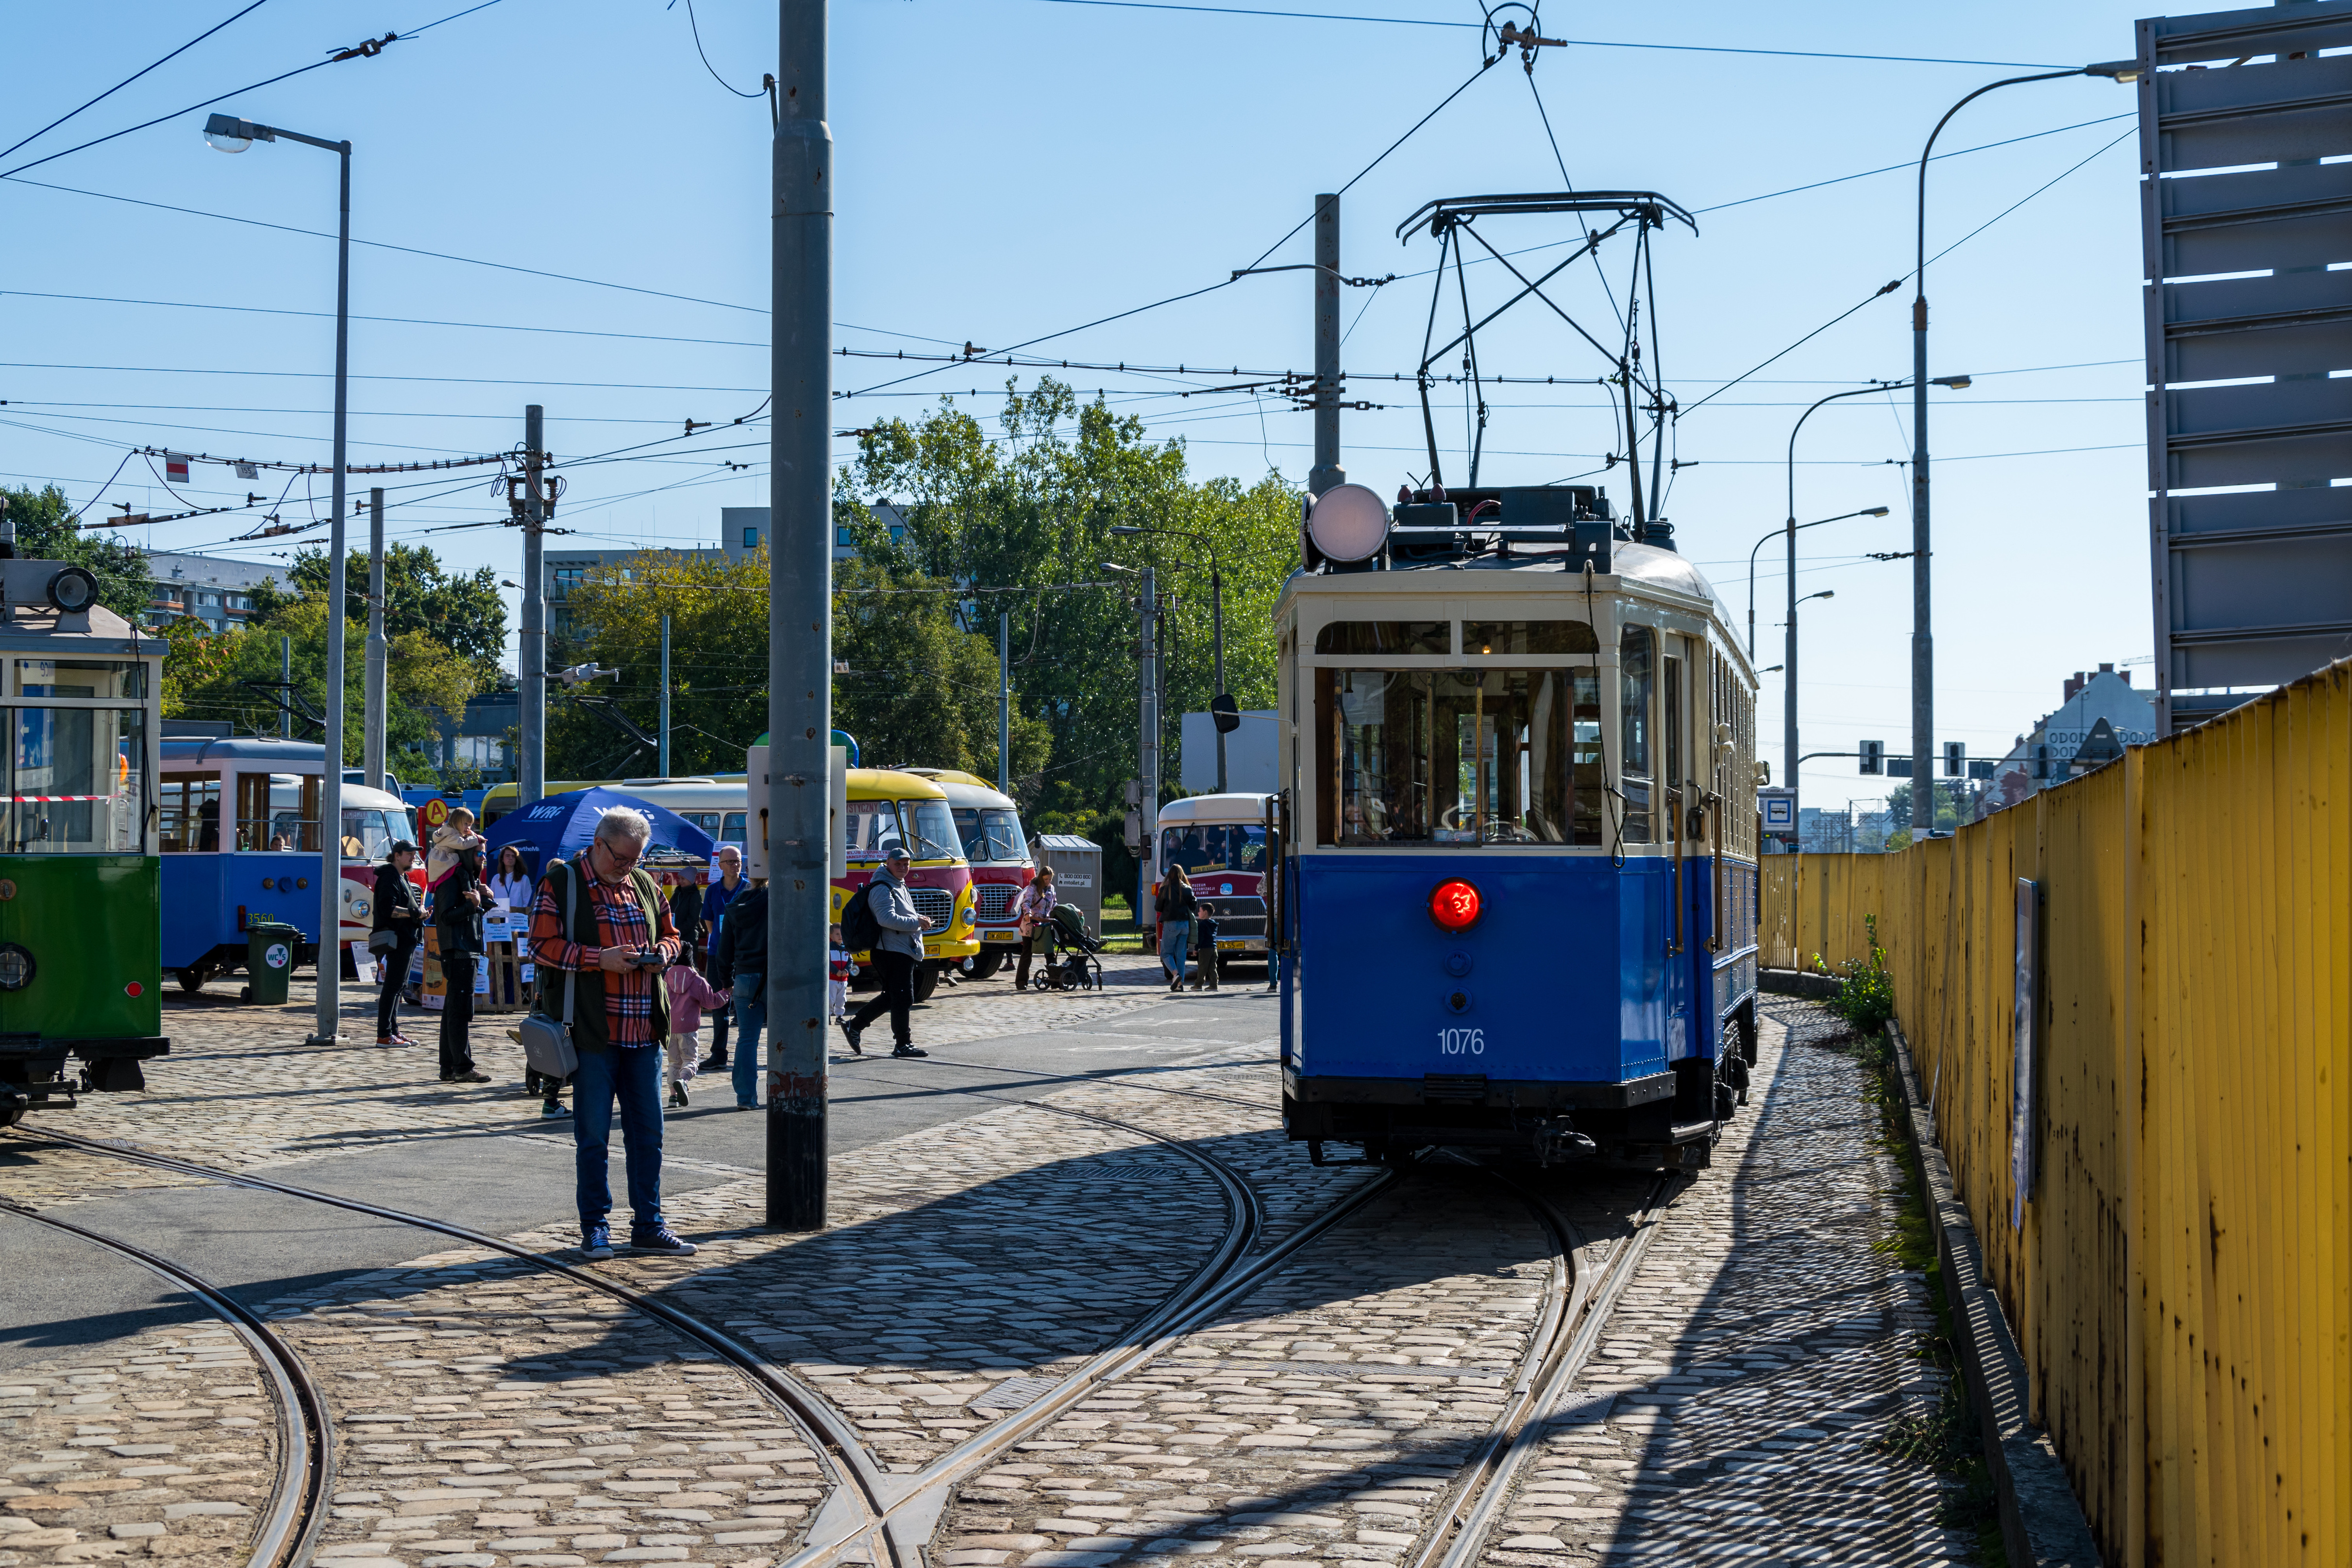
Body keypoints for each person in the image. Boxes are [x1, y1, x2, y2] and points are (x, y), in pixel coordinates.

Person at [529, 806, 695, 1257]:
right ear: (598, 844)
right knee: (594, 1137)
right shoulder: (562, 883)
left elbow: (674, 934)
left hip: (644, 1032)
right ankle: (595, 1227)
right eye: (621, 858)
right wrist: (597, 958)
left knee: (649, 1135)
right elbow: (541, 946)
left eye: (635, 859)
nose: (627, 866)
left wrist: (664, 950)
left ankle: (649, 1223)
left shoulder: (644, 883)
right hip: (592, 1033)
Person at [841, 847, 931, 1059]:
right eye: (898, 864)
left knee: (893, 996)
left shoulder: (898, 884)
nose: (903, 867)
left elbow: (900, 913)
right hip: (890, 951)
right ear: (888, 863)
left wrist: (918, 919)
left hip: (899, 949)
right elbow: (885, 919)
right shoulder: (882, 887)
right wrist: (917, 923)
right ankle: (903, 1044)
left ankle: (855, 1026)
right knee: (903, 997)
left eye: (906, 864)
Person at [431, 837, 491, 1084]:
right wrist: (472, 905)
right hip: (459, 952)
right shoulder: (452, 879)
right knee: (460, 1012)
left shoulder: (468, 878)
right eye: (479, 854)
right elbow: (445, 917)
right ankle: (462, 1067)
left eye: (485, 855)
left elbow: (471, 914)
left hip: (467, 949)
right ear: (467, 855)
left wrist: (483, 902)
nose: (484, 859)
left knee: (452, 1011)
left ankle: (449, 1066)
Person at [711, 876, 766, 1107]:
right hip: (775, 977)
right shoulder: (777, 899)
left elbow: (724, 949)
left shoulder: (737, 905)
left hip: (744, 978)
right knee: (786, 1038)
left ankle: (746, 1097)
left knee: (747, 1039)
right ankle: (785, 1093)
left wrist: (727, 980)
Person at [371, 841, 425, 1047]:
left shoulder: (402, 876)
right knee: (392, 986)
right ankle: (384, 1035)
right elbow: (388, 909)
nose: (413, 857)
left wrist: (419, 914)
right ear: (397, 855)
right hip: (396, 939)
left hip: (407, 938)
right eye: (410, 854)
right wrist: (414, 913)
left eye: (415, 853)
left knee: (399, 987)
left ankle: (393, 1031)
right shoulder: (389, 877)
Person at [698, 846, 745, 1072]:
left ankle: (746, 1055)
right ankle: (719, 1055)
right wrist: (721, 939)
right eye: (730, 862)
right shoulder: (712, 891)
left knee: (746, 1007)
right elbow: (708, 921)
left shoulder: (749, 888)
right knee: (719, 1007)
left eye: (738, 861)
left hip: (745, 955)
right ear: (720, 865)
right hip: (718, 955)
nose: (735, 865)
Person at [661, 960, 730, 1110]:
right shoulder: (698, 981)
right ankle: (684, 1082)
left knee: (673, 1063)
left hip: (670, 1028)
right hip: (689, 1029)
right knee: (691, 1061)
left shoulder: (665, 978)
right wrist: (726, 994)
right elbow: (711, 1002)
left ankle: (673, 1097)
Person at [1011, 867, 1058, 991]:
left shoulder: (1052, 889)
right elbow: (1026, 902)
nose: (1048, 882)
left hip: (1046, 925)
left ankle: (1055, 981)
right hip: (1031, 926)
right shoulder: (1033, 887)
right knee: (1027, 953)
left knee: (1050, 953)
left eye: (1050, 879)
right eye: (1046, 879)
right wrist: (1027, 913)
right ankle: (1021, 982)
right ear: (1041, 878)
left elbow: (1054, 904)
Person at [1156, 864, 1198, 993]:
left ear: (1170, 875)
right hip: (1184, 925)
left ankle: (1175, 974)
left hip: (1170, 924)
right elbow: (1193, 905)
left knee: (1166, 954)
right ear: (1181, 874)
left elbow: (1158, 908)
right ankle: (1179, 984)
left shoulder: (1165, 889)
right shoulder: (1187, 889)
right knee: (1181, 955)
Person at [489, 844, 533, 914]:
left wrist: (522, 916)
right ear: (502, 859)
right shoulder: (496, 878)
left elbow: (527, 901)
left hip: (517, 918)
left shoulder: (524, 879)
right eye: (508, 856)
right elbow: (492, 899)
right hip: (499, 917)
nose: (511, 858)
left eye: (513, 856)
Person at [1189, 903, 1222, 993]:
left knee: (1202, 967)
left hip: (1205, 948)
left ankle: (1198, 985)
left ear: (1205, 912)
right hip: (1213, 948)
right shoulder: (1213, 924)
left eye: (1200, 911)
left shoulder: (1202, 924)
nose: (1198, 913)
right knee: (1212, 967)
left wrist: (1196, 948)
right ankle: (1214, 985)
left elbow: (1201, 938)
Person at [828, 924, 855, 1033]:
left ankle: (839, 1016)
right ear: (831, 936)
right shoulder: (829, 948)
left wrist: (846, 971)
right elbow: (828, 962)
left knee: (841, 999)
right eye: (837, 934)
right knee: (830, 999)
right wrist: (836, 971)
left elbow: (850, 961)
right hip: (832, 979)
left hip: (843, 980)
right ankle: (828, 1015)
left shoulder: (846, 948)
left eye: (842, 934)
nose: (840, 936)